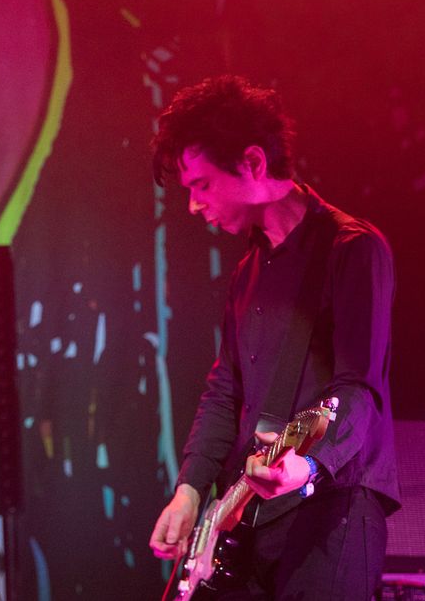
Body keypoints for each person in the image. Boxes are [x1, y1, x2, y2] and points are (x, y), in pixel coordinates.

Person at [147, 76, 399, 599]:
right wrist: (191, 491)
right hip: (253, 516)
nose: (194, 206)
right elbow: (224, 392)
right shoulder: (247, 273)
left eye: (202, 185)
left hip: (334, 508)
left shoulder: (352, 249)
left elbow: (359, 387)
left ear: (254, 164)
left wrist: (307, 465)